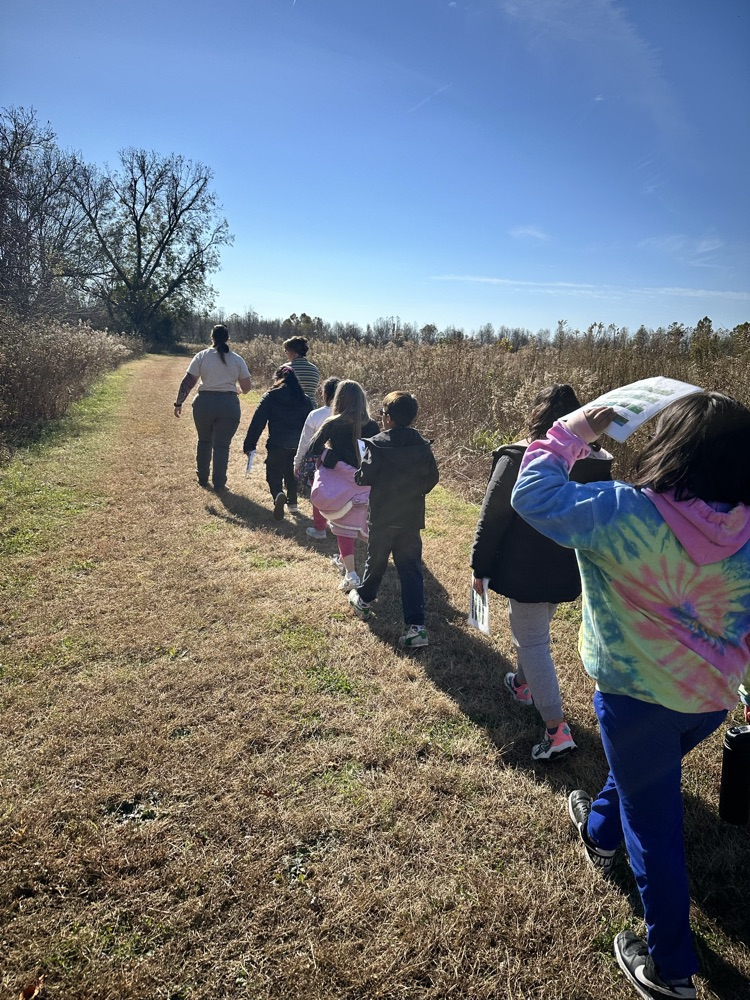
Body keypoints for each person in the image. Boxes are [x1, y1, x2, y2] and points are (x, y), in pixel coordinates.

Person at [510, 391, 750, 1000]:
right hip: (710, 701)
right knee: (643, 779)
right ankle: (598, 831)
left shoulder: (622, 511)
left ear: (668, 446)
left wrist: (572, 430)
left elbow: (533, 494)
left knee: (657, 827)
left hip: (633, 695)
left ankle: (671, 969)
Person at [470, 384, 613, 760]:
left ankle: (556, 730)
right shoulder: (598, 462)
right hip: (571, 565)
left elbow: (493, 516)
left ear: (537, 416)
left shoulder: (519, 455)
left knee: (532, 641)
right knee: (533, 632)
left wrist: (479, 566)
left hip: (526, 566)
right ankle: (521, 683)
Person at [348, 391, 439, 648]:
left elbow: (363, 477)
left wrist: (360, 472)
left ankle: (364, 601)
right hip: (410, 518)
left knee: (375, 562)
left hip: (382, 516)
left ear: (388, 418)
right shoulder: (422, 445)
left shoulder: (376, 444)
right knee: (411, 571)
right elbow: (432, 477)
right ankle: (416, 627)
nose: (382, 418)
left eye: (383, 413)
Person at [308, 380, 379, 592]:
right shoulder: (373, 425)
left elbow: (313, 448)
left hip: (341, 485)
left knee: (343, 528)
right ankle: (369, 568)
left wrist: (331, 456)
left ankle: (351, 574)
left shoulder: (332, 423)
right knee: (364, 525)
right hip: (365, 484)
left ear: (338, 399)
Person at [173, 324, 252, 490]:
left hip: (204, 404)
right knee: (222, 446)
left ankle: (202, 477)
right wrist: (237, 390)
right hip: (228, 405)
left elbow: (188, 382)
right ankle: (219, 483)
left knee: (204, 441)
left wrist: (179, 403)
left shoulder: (202, 356)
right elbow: (246, 387)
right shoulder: (237, 359)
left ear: (212, 337)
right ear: (227, 338)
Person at [242, 366, 313, 520]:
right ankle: (293, 504)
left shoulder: (271, 396)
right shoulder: (304, 399)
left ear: (277, 378)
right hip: (298, 443)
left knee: (273, 472)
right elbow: (311, 424)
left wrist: (249, 444)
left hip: (277, 443)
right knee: (292, 471)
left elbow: (257, 421)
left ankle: (278, 494)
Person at [293, 376, 340, 540]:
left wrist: (297, 463)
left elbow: (305, 442)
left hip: (318, 463)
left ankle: (320, 529)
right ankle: (340, 526)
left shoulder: (315, 415)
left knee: (319, 494)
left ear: (325, 394)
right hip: (343, 462)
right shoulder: (350, 416)